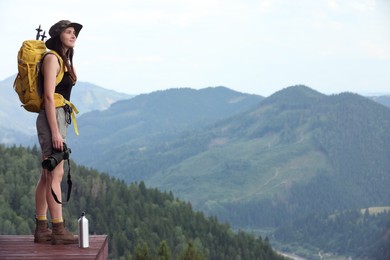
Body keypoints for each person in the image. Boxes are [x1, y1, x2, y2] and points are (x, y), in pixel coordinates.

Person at [34, 20, 82, 245]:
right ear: (57, 35)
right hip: (52, 118)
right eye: (69, 32)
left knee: (47, 174)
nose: (73, 35)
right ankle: (58, 230)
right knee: (55, 174)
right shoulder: (52, 58)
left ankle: (42, 228)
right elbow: (48, 97)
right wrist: (55, 131)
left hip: (58, 117)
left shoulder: (63, 60)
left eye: (75, 33)